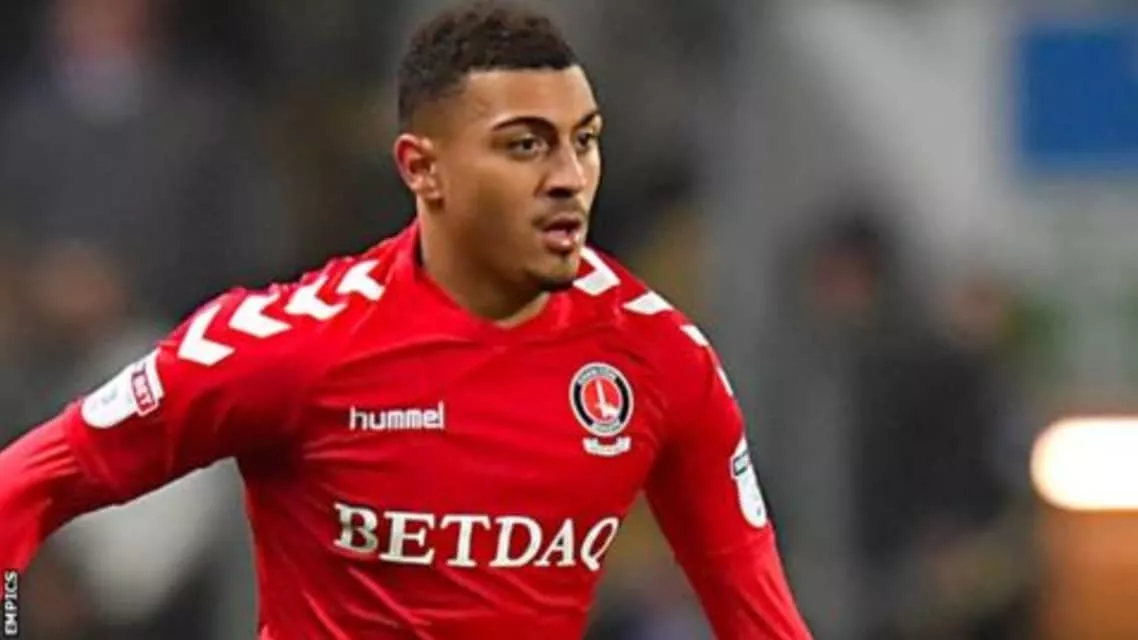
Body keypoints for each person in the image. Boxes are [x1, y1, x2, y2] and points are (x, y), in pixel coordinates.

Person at [0, 2, 812, 638]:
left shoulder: (658, 356)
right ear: (423, 169)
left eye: (584, 141)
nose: (569, 177)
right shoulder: (292, 345)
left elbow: (760, 617)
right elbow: (21, 489)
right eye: (525, 146)